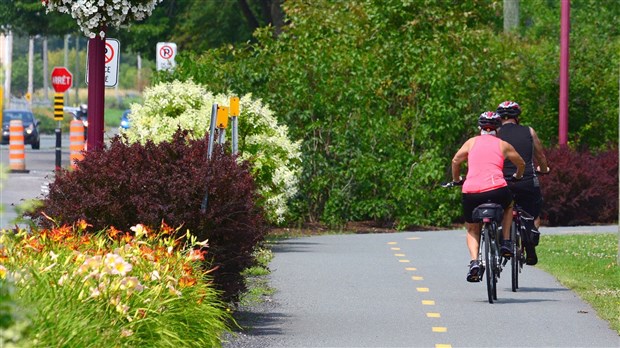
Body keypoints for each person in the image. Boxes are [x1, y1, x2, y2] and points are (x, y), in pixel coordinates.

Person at [451, 111, 525, 282]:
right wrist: (518, 176)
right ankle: (506, 241)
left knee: (472, 228)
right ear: (497, 129)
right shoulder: (503, 145)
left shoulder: (471, 143)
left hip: (472, 192)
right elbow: (520, 163)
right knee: (509, 205)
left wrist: (456, 180)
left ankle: (474, 261)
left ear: (480, 128)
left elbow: (456, 161)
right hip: (497, 189)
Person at [496, 101, 550, 265]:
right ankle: (530, 243)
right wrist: (545, 168)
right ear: (517, 117)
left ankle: (499, 235)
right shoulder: (529, 131)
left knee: (500, 207)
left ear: (500, 117)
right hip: (526, 179)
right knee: (534, 212)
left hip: (502, 180)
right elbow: (540, 155)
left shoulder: (495, 134)